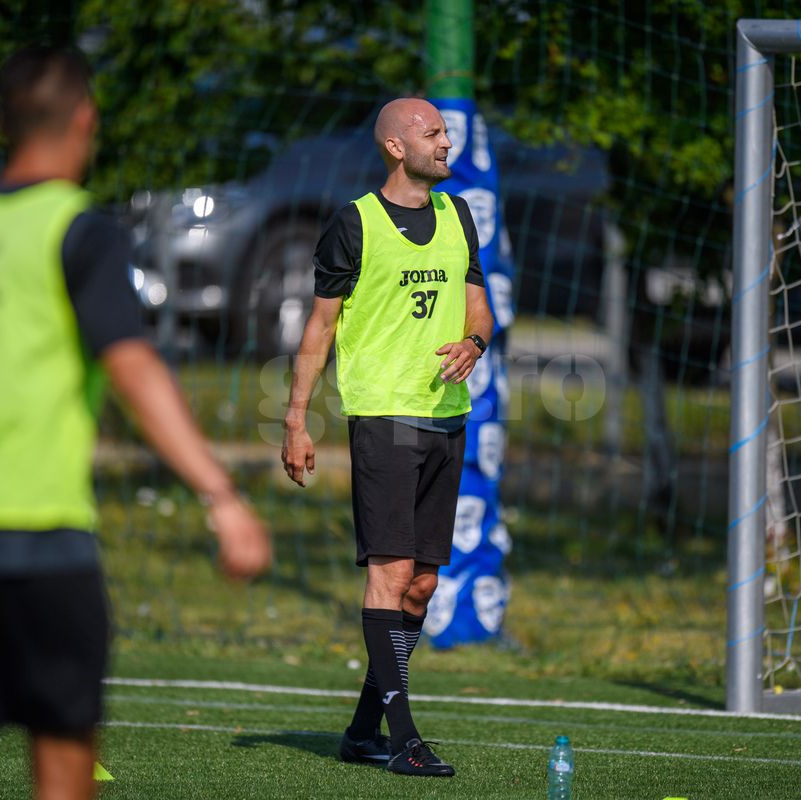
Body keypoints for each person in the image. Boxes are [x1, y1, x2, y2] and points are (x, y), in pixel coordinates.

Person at [0, 46, 271, 800]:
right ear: (85, 119)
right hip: (32, 533)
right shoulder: (80, 229)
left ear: (1, 123)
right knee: (64, 767)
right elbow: (133, 366)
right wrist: (221, 494)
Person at [281, 97, 493, 778]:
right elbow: (319, 328)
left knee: (423, 585)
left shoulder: (459, 216)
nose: (446, 144)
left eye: (446, 133)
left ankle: (362, 729)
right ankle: (404, 738)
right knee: (390, 572)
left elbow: (477, 299)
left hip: (447, 415)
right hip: (383, 418)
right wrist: (297, 417)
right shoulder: (356, 223)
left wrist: (474, 341)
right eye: (433, 134)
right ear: (398, 147)